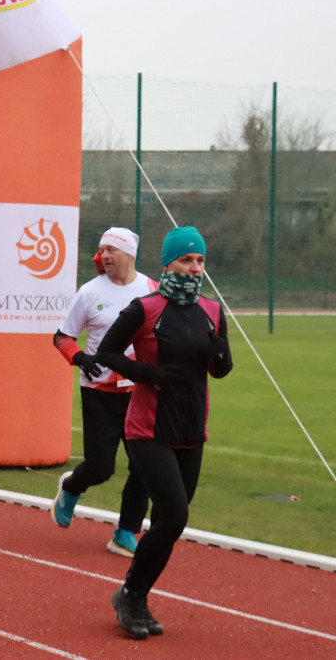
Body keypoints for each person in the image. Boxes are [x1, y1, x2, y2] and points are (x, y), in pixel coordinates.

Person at [95, 226, 232, 640]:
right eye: (187, 260)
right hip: (147, 429)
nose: (195, 268)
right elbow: (107, 352)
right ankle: (133, 595)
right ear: (168, 263)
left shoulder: (211, 309)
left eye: (200, 261)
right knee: (174, 514)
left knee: (170, 524)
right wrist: (148, 374)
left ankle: (132, 593)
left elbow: (220, 370)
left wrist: (222, 355)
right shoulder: (146, 307)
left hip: (192, 428)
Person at [51, 227, 157, 557]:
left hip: (140, 393)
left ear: (129, 253)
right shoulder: (89, 292)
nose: (105, 256)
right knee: (101, 468)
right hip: (98, 392)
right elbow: (61, 337)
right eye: (102, 250)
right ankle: (71, 488)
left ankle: (126, 531)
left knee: (144, 468)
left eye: (112, 249)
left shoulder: (152, 289)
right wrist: (80, 358)